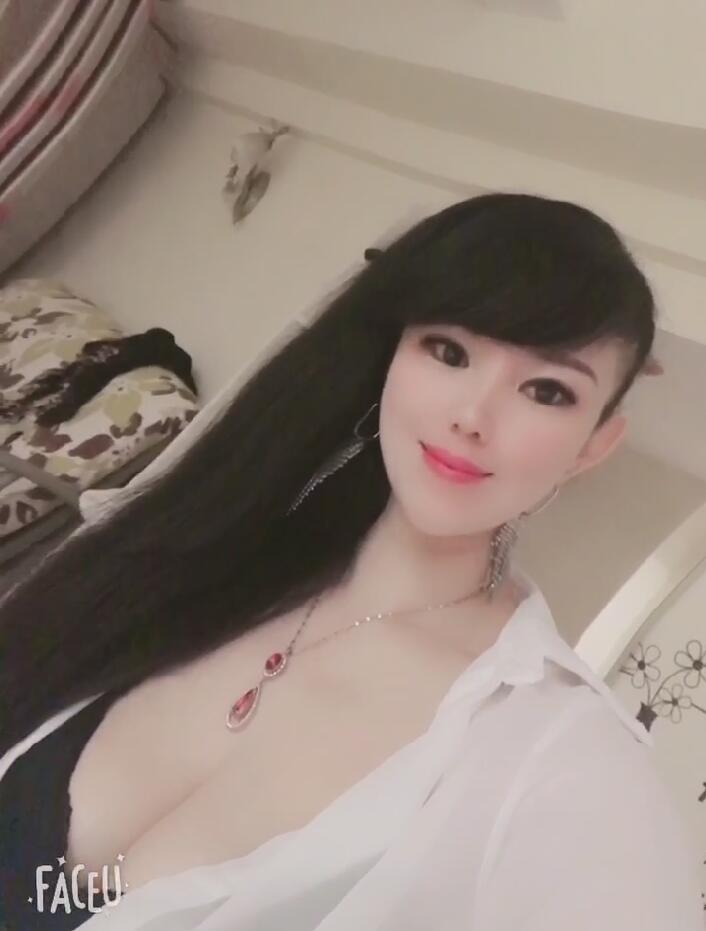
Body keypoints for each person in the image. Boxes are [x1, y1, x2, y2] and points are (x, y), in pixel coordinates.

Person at [0, 193, 701, 930]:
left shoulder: (557, 755)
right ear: (391, 356)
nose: (473, 415)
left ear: (594, 446)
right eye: (449, 351)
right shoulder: (205, 548)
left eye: (547, 390)